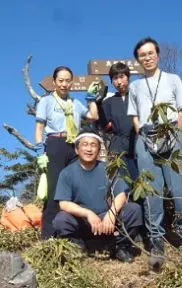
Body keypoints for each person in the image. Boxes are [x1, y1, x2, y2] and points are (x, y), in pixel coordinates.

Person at [127, 37, 182, 271]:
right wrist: (140, 131)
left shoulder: (172, 79)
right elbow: (134, 115)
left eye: (150, 53)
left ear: (158, 54)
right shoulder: (135, 86)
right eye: (142, 55)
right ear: (138, 60)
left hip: (171, 135)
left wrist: (176, 133)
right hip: (145, 138)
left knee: (179, 189)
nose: (147, 58)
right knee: (151, 192)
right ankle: (156, 242)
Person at [53, 131, 143, 263]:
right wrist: (88, 214)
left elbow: (121, 194)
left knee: (134, 210)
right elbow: (64, 203)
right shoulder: (67, 173)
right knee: (61, 219)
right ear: (77, 149)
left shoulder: (109, 168)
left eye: (93, 145)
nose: (89, 149)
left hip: (107, 220)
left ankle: (120, 247)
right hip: (83, 222)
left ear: (99, 149)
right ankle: (78, 246)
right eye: (85, 144)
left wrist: (111, 214)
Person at [35, 66, 99, 239]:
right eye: (60, 80)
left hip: (74, 146)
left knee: (72, 189)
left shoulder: (75, 103)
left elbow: (94, 116)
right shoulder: (46, 101)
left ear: (72, 82)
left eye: (67, 80)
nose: (64, 84)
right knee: (54, 190)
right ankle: (48, 237)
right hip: (55, 144)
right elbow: (40, 127)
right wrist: (40, 150)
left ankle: (71, 234)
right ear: (55, 82)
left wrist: (90, 98)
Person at [102, 62, 138, 180]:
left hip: (138, 145)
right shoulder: (109, 102)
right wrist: (97, 103)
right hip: (118, 148)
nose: (119, 81)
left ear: (128, 77)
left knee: (140, 183)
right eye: (115, 78)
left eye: (121, 77)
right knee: (121, 183)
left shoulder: (138, 97)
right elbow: (102, 124)